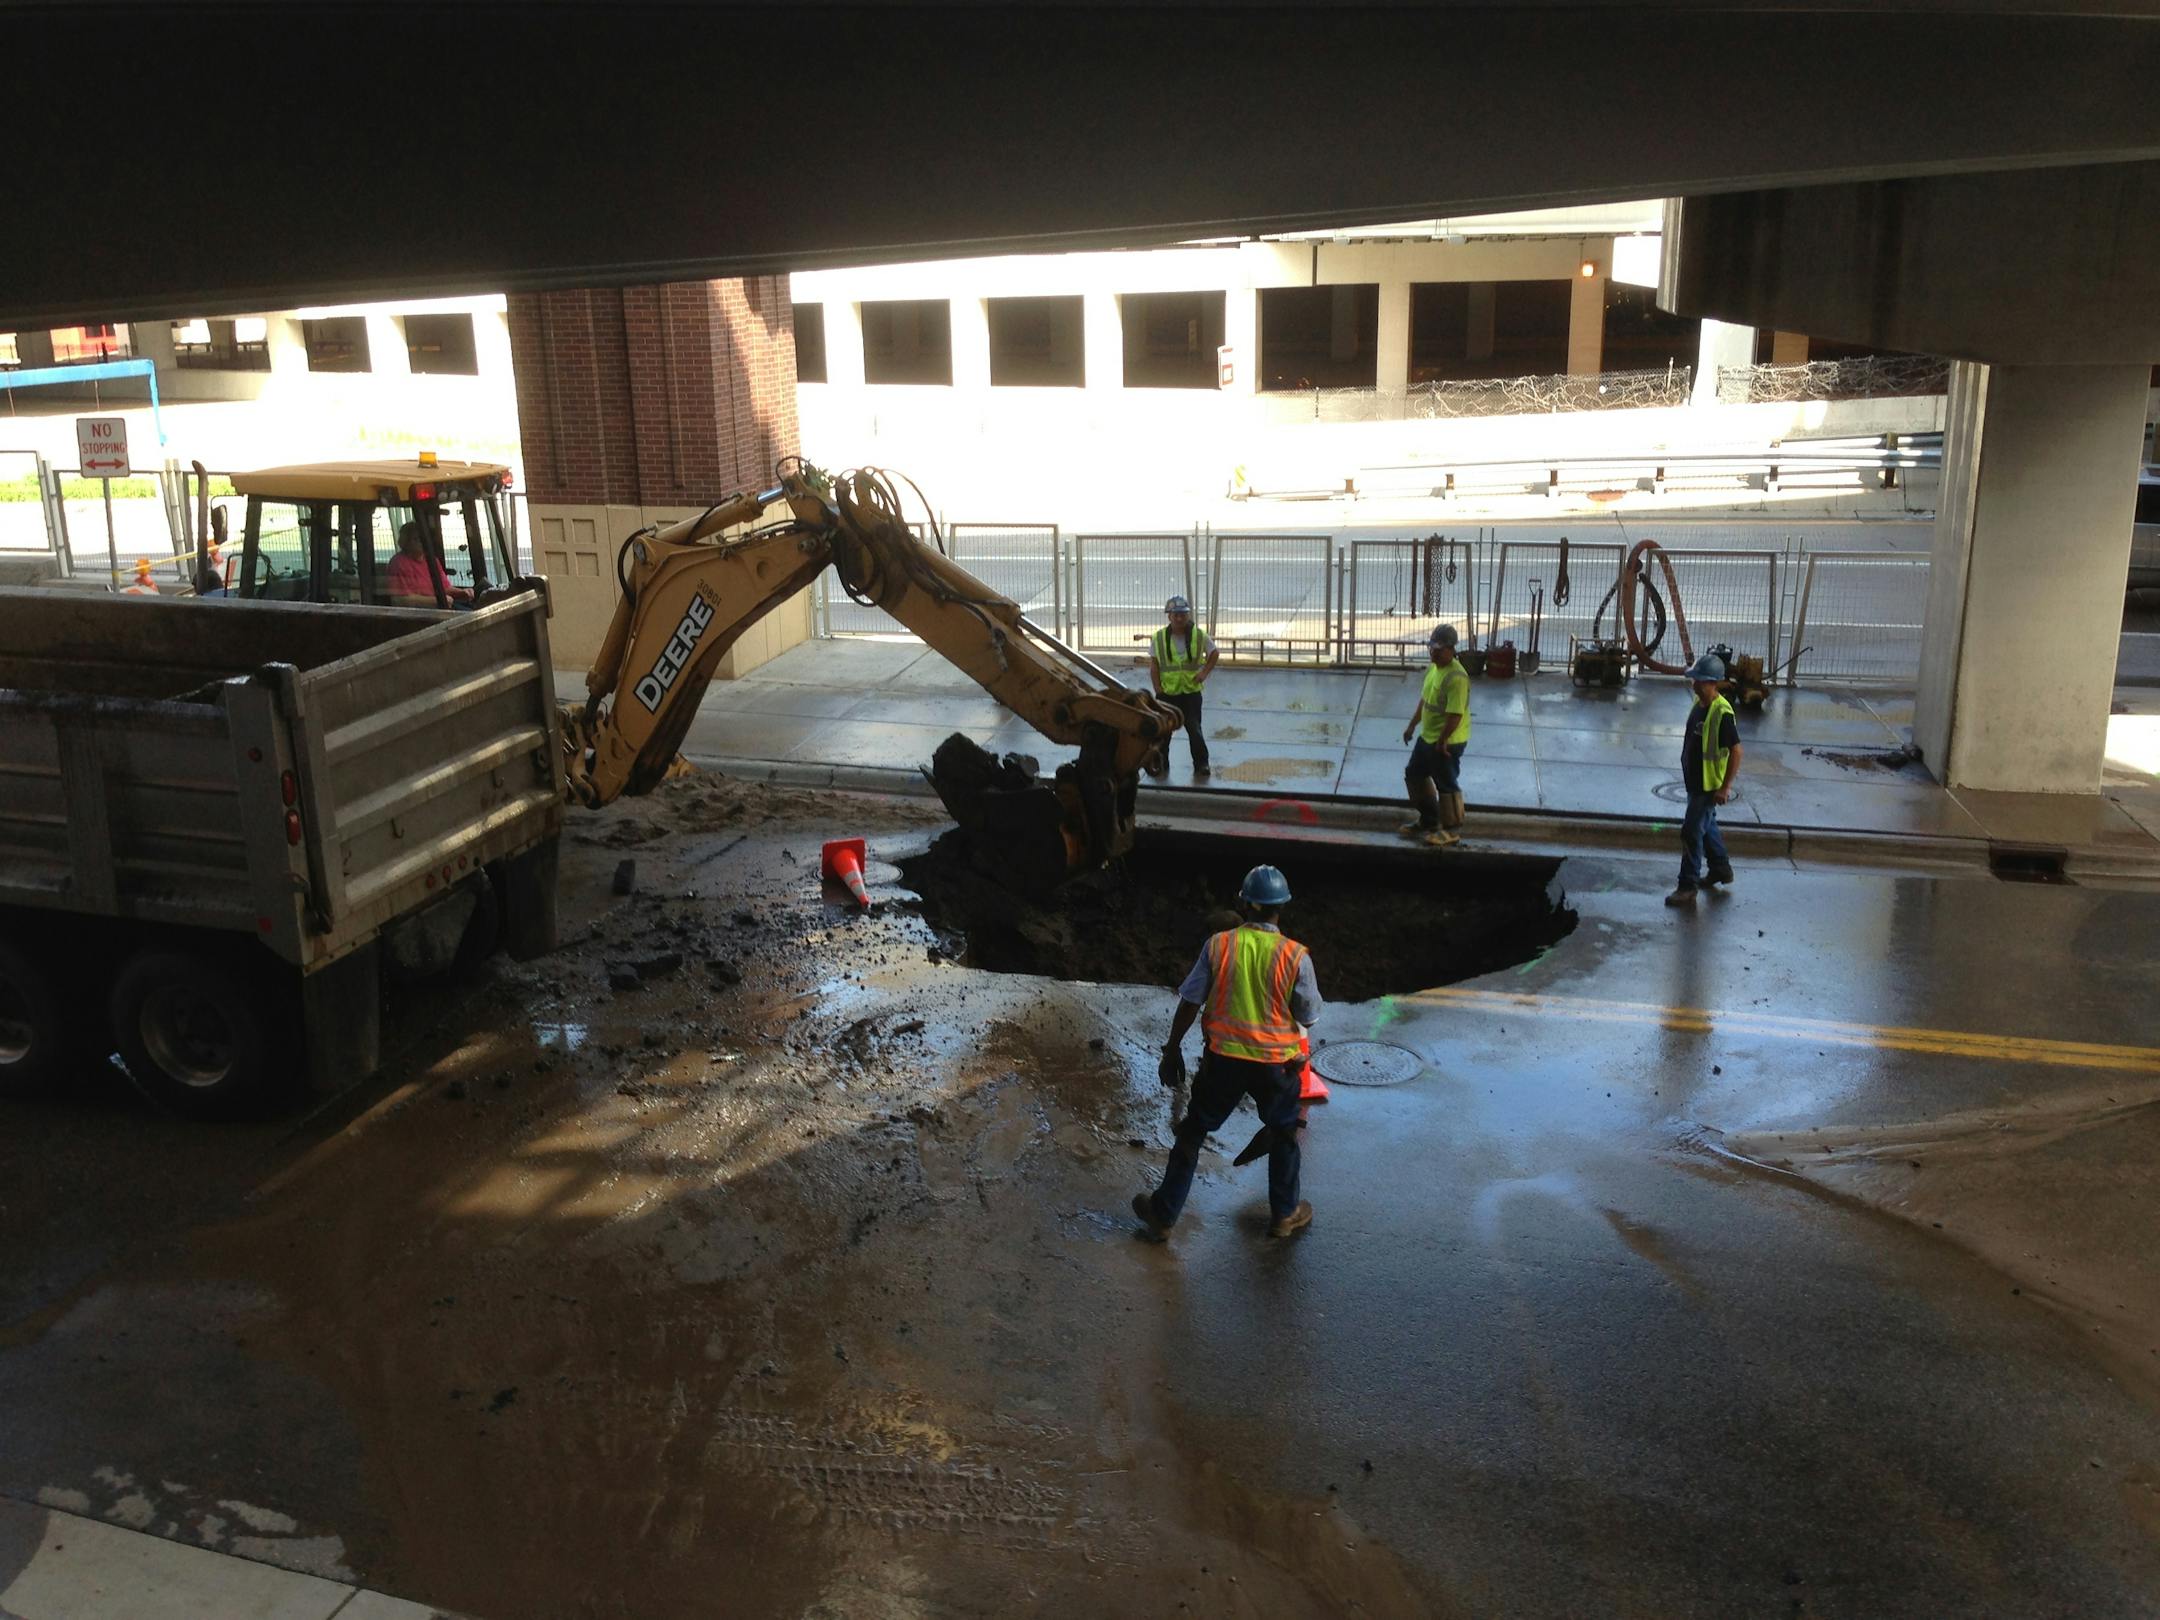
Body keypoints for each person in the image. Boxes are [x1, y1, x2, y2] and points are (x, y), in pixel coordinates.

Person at [1133, 864, 1320, 1242]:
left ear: (1245, 904)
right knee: (1284, 1134)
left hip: (1224, 1062)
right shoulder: (1295, 955)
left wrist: (1172, 1049)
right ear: (1281, 907)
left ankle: (1164, 1213)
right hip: (1276, 1065)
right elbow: (1309, 1015)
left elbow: (1190, 1000)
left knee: (1193, 1132)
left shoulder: (1219, 944)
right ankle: (1284, 1215)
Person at [1667, 651, 1741, 906]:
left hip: (1708, 786)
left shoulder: (1722, 713)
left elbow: (1736, 751)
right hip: (1695, 781)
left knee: (1690, 832)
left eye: (1698, 680)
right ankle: (1721, 868)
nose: (1694, 683)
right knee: (1707, 826)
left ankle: (1687, 886)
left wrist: (1725, 787)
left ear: (1711, 682)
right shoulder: (1699, 705)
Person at [1400, 624, 1471, 847]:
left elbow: (1455, 716)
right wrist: (1412, 726)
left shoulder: (1457, 678)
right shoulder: (1434, 669)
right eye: (1432, 648)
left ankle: (1451, 831)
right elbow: (1425, 701)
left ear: (1451, 649)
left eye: (1439, 650)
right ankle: (1430, 820)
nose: (1434, 653)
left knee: (1446, 785)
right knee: (1414, 774)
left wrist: (1442, 741)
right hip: (1428, 737)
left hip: (1448, 742)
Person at [1147, 595, 1218, 780]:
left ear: (1188, 615)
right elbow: (1154, 666)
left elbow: (1214, 653)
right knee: (1164, 732)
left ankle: (1202, 764)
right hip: (1167, 694)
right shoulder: (1159, 638)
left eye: (1183, 615)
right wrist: (1158, 690)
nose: (1179, 618)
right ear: (1169, 616)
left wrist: (1203, 673)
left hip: (1190, 693)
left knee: (1194, 729)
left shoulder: (1198, 635)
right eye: (1175, 615)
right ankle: (1161, 763)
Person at [385, 520, 472, 607]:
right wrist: (437, 601)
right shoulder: (399, 563)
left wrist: (463, 592)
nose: (421, 542)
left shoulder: (432, 561)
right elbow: (400, 600)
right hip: (420, 614)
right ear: (405, 542)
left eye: (423, 538)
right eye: (416, 539)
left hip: (438, 607)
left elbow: (444, 588)